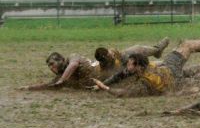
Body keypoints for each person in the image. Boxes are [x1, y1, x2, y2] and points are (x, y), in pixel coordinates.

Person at [93, 26, 200, 97]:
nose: (127, 66)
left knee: (190, 72)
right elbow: (118, 76)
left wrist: (104, 87)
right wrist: (103, 85)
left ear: (137, 67)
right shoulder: (142, 70)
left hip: (172, 75)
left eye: (129, 63)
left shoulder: (145, 81)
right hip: (171, 71)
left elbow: (123, 92)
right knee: (187, 50)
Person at [20, 38, 171, 90]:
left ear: (61, 60)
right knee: (150, 68)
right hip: (107, 78)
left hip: (107, 66)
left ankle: (157, 50)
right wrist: (28, 88)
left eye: (53, 64)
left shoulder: (72, 58)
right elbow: (47, 86)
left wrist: (61, 81)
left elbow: (72, 66)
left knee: (132, 52)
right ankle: (167, 64)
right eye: (49, 67)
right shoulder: (62, 79)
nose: (52, 69)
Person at [94, 37, 170, 80]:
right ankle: (165, 62)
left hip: (127, 60)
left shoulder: (113, 53)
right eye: (109, 55)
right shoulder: (104, 69)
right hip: (127, 70)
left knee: (138, 48)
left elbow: (119, 54)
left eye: (110, 53)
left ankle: (157, 50)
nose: (111, 54)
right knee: (153, 65)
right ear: (105, 59)